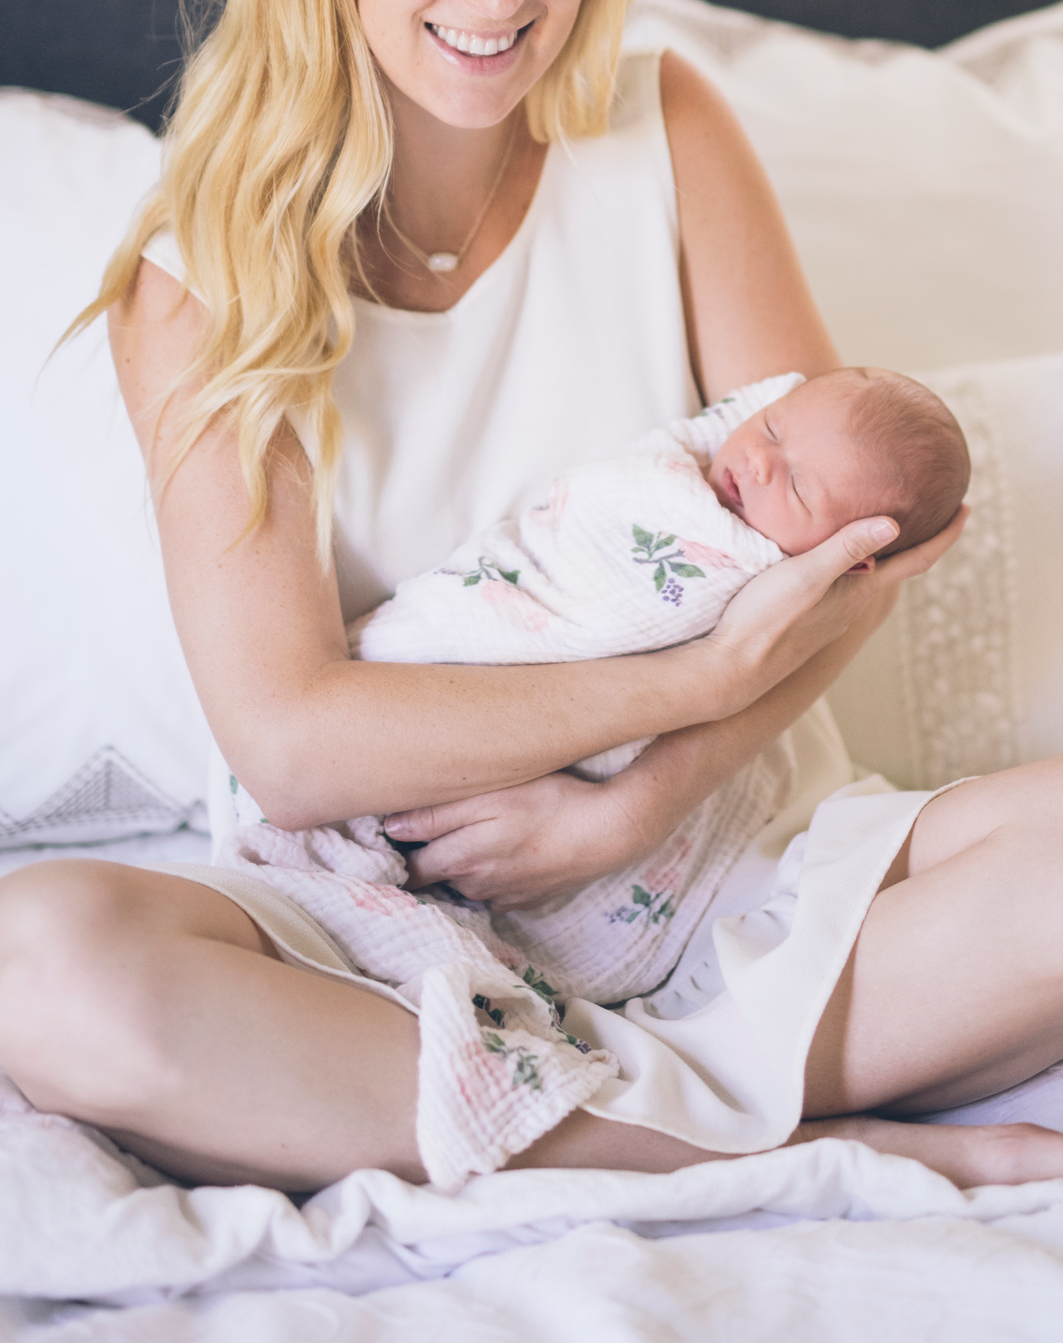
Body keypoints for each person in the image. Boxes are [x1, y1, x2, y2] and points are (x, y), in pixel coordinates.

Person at [0, 0, 1063, 1197]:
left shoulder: (665, 129)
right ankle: (770, 1144)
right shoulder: (209, 272)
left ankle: (559, 1123)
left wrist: (649, 794)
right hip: (388, 918)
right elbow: (292, 742)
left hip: (717, 873)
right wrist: (694, 672)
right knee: (43, 962)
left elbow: (844, 567)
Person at [204, 366, 971, 1034]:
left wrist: (632, 809)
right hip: (363, 730)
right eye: (768, 428)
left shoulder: (763, 545)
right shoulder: (698, 467)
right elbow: (288, 749)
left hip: (722, 833)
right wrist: (712, 674)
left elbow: (844, 601)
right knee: (103, 949)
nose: (763, 462)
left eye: (800, 485)